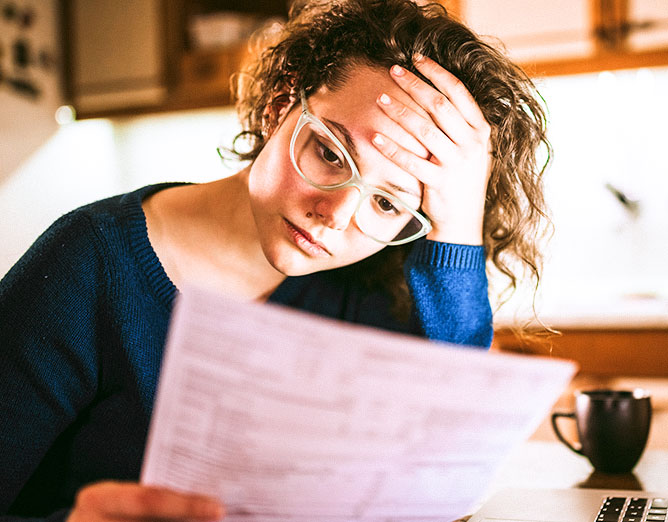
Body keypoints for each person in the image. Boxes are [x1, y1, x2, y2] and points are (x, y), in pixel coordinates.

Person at [0, 0, 550, 520]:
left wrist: (456, 234)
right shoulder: (87, 265)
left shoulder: (366, 291)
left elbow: (447, 459)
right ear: (282, 103)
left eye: (387, 203)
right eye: (331, 153)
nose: (335, 216)